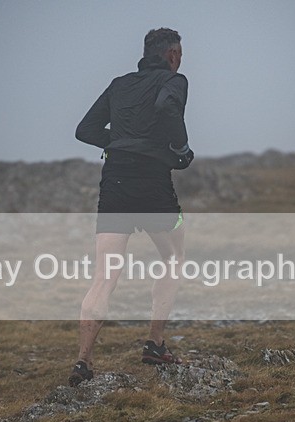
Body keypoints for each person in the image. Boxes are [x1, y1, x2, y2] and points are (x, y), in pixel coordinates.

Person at [69, 28, 194, 386]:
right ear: (172, 55)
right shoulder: (175, 80)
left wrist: (122, 142)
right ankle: (155, 344)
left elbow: (85, 129)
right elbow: (167, 106)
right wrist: (180, 150)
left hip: (116, 182)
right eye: (180, 55)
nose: (181, 61)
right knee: (174, 257)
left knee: (105, 276)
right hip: (153, 184)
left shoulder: (119, 84)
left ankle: (83, 361)